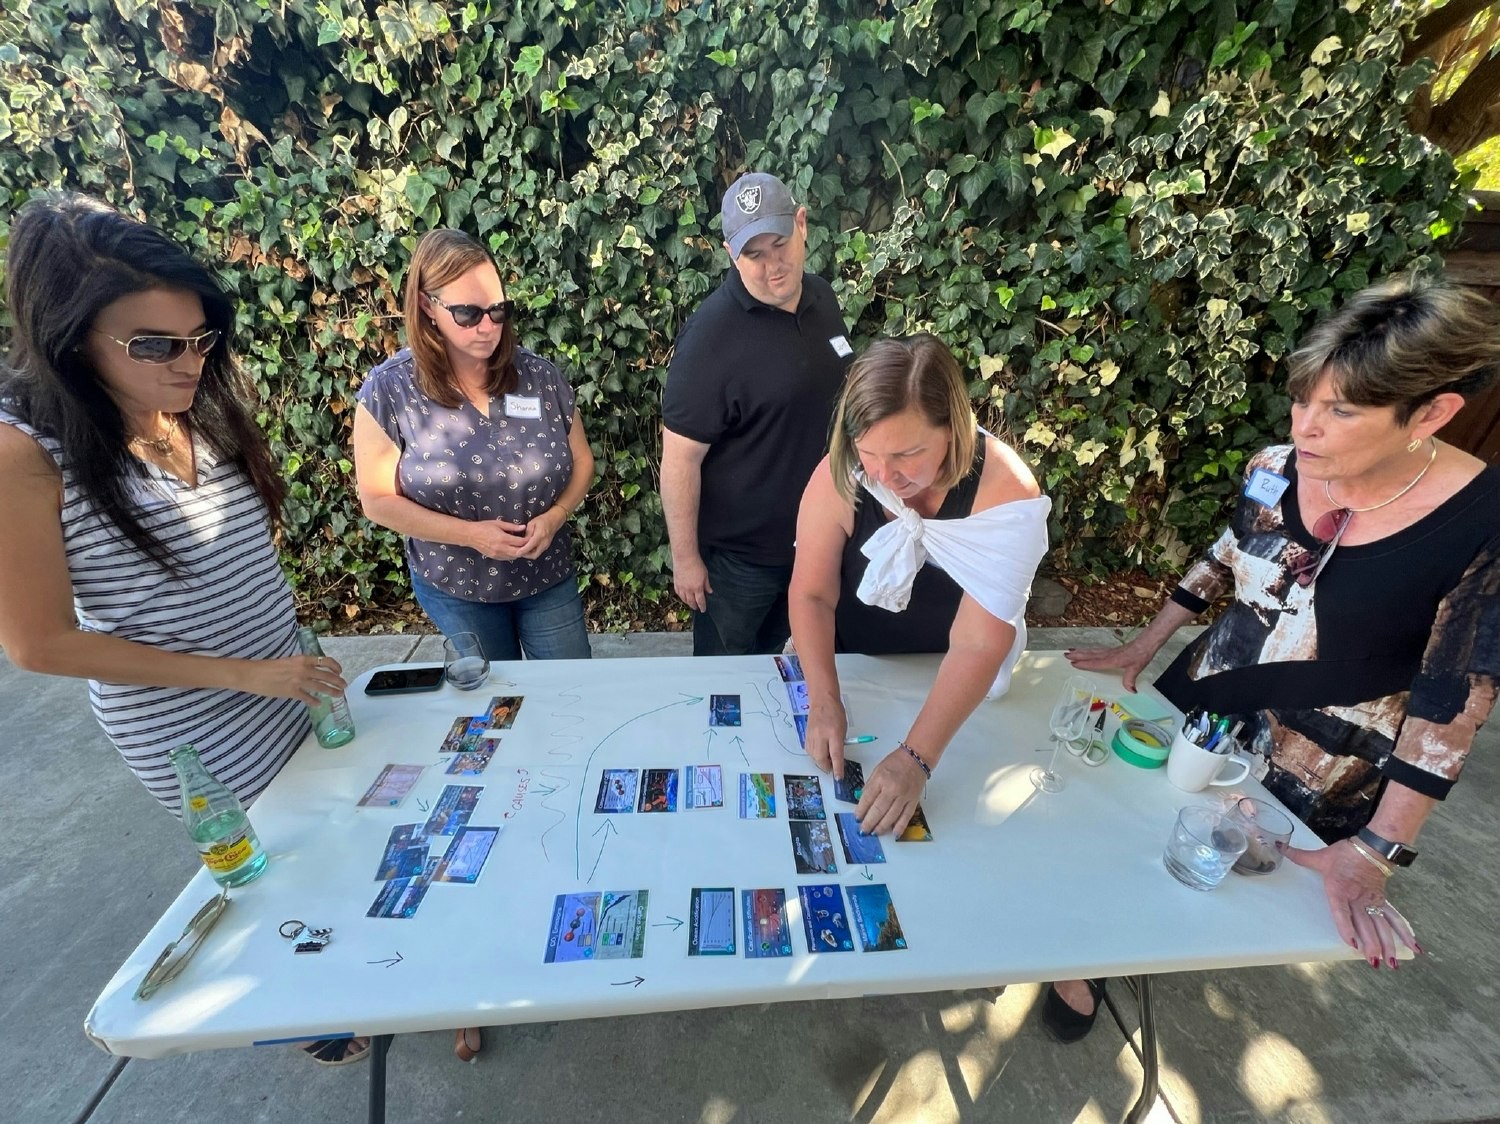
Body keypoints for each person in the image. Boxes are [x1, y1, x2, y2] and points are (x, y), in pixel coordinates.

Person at [1055, 276, 1500, 1043]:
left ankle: (1139, 948)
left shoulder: (1482, 520)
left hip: (1322, 760)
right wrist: (1146, 641)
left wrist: (1376, 850)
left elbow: (1452, 700)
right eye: (1303, 400)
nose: (1306, 427)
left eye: (1341, 411)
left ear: (1432, 412)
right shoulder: (1274, 462)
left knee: (1220, 874)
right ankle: (1082, 953)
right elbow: (1228, 554)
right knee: (1124, 829)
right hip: (1206, 696)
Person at [0, 193, 363, 1066]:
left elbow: (233, 556)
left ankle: (362, 979)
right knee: (274, 878)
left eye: (200, 339)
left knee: (344, 845)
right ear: (69, 339)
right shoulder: (23, 453)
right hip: (192, 727)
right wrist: (246, 674)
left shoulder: (189, 399)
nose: (189, 361)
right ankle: (318, 1021)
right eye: (155, 344)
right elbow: (38, 644)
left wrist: (287, 651)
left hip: (281, 682)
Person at [788, 334, 1051, 836]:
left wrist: (917, 758)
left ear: (953, 429)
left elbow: (979, 641)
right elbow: (812, 593)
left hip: (950, 679)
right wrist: (824, 700)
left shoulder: (1007, 493)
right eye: (869, 452)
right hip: (852, 663)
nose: (885, 475)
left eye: (908, 453)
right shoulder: (842, 472)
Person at [353, 229, 593, 665]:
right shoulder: (390, 389)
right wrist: (471, 536)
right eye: (468, 313)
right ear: (428, 305)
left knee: (569, 696)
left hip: (547, 576)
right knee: (494, 705)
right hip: (458, 585)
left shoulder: (539, 376)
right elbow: (377, 500)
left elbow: (582, 460)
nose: (488, 327)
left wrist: (556, 516)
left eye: (498, 311)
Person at [661, 171, 854, 655]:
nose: (774, 266)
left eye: (780, 244)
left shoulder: (823, 299)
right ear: (731, 253)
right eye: (754, 254)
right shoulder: (710, 337)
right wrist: (686, 561)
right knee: (725, 691)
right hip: (740, 567)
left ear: (802, 224)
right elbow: (679, 460)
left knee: (798, 676)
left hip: (819, 545)